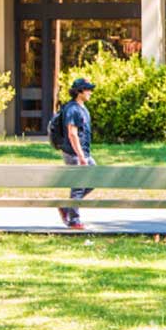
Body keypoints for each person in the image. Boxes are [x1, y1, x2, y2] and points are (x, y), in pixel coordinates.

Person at [58, 77, 96, 230]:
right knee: (78, 185)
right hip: (74, 153)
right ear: (79, 91)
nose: (90, 92)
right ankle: (74, 220)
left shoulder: (82, 108)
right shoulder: (72, 109)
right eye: (87, 89)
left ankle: (67, 208)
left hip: (83, 152)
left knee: (96, 177)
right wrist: (80, 156)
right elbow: (72, 134)